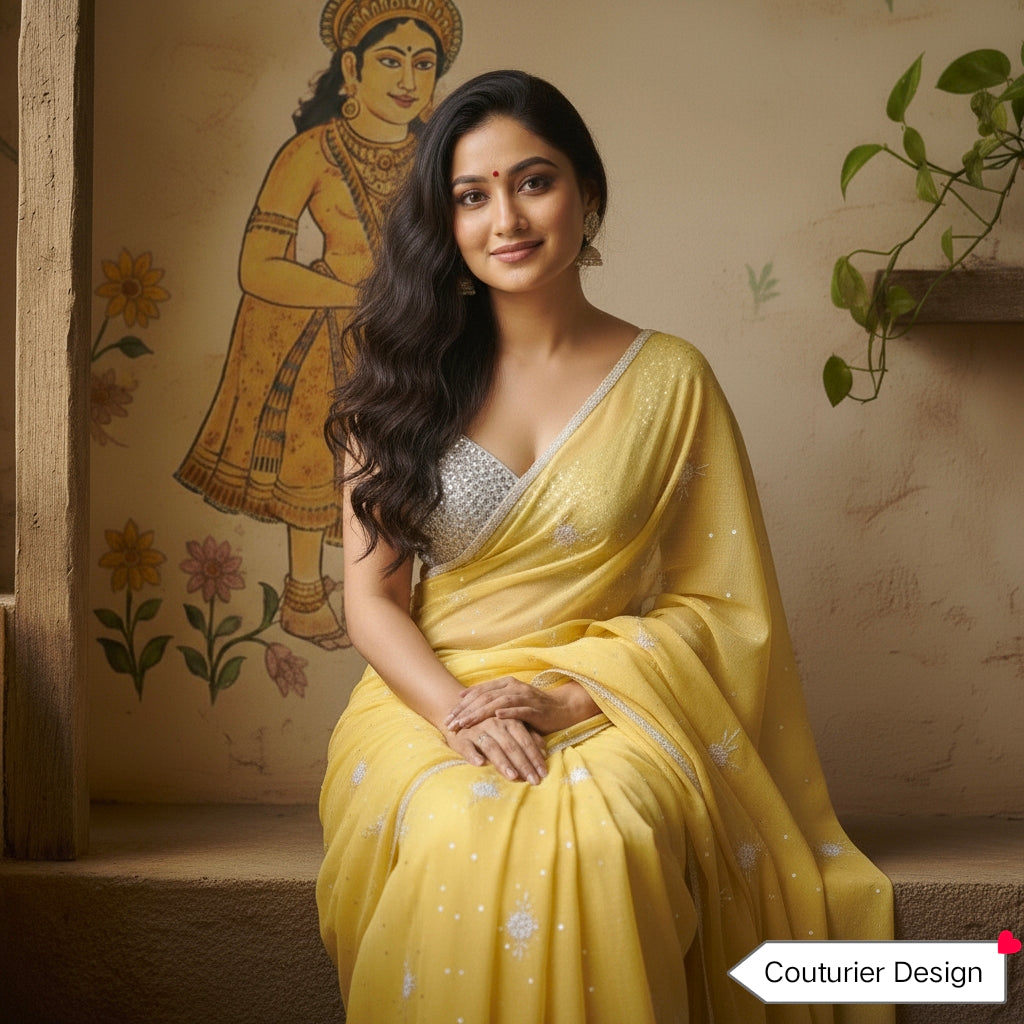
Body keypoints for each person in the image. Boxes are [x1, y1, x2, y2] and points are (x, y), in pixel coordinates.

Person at [317, 70, 894, 1023]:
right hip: (432, 698)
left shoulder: (670, 380)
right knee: (453, 825)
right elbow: (374, 602)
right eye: (471, 195)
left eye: (533, 181)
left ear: (587, 194)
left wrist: (566, 696)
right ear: (446, 222)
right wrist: (463, 711)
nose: (506, 216)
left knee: (605, 833)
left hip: (609, 697)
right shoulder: (397, 385)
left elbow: (723, 609)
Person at [175, 0, 462, 650]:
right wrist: (353, 296)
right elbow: (257, 266)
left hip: (420, 334)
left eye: (423, 64)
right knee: (321, 436)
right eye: (391, 60)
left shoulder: (440, 159)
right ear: (352, 70)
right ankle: (306, 590)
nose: (407, 78)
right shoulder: (312, 151)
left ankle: (430, 600)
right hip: (331, 331)